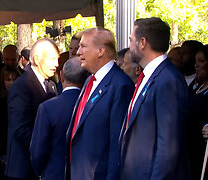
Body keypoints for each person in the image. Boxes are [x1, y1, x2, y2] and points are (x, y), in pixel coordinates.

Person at [119, 17, 189, 180]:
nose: (129, 46)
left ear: (142, 42)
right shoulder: (149, 77)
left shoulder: (168, 80)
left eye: (131, 40)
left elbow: (168, 145)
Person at [67, 27, 134, 180]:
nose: (78, 52)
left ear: (100, 51)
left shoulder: (120, 86)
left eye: (83, 47)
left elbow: (117, 144)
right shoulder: (90, 80)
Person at [5, 38, 59, 180]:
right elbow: (20, 128)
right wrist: (42, 150)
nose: (57, 65)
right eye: (52, 59)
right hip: (23, 168)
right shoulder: (22, 85)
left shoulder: (49, 85)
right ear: (36, 59)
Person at [30, 56, 88, 180]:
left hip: (53, 173)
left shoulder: (48, 108)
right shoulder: (91, 105)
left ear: (61, 75)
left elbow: (37, 151)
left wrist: (41, 172)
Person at [188, 44, 208, 180]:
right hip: (190, 150)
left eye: (201, 61)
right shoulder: (195, 85)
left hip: (204, 153)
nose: (196, 65)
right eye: (195, 61)